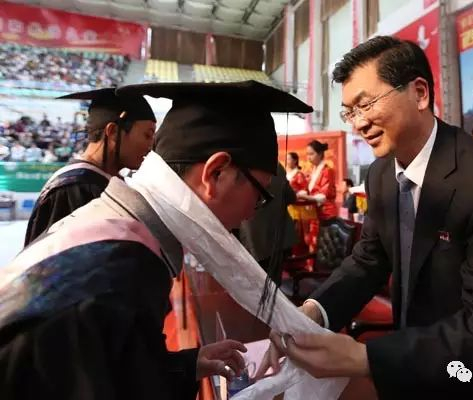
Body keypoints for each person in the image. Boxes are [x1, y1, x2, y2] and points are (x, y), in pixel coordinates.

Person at [258, 37, 473, 398]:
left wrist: (366, 357)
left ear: (419, 94)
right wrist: (313, 311)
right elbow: (369, 259)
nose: (358, 123)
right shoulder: (381, 174)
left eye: (366, 104)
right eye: (349, 112)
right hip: (415, 368)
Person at [0, 80, 313, 399]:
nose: (251, 212)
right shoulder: (120, 268)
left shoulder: (113, 232)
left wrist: (188, 365)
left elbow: (118, 371)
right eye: (260, 195)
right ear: (215, 173)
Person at [23, 88, 157, 246]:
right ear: (113, 132)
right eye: (147, 135)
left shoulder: (103, 180)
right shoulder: (77, 186)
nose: (151, 145)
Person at [239, 162, 298, 281]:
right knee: (273, 283)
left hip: (253, 237)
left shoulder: (238, 163)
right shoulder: (277, 165)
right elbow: (291, 197)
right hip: (279, 235)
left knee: (254, 284)